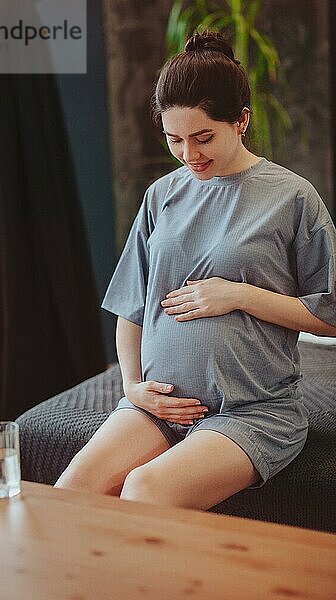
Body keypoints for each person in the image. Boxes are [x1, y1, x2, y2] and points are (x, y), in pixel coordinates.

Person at [55, 31, 336, 510]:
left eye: (203, 137)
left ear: (241, 120)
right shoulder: (161, 196)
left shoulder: (292, 198)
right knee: (65, 497)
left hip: (252, 411)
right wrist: (132, 387)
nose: (190, 155)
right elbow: (132, 307)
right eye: (175, 140)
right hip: (161, 406)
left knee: (144, 491)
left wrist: (239, 295)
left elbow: (331, 315)